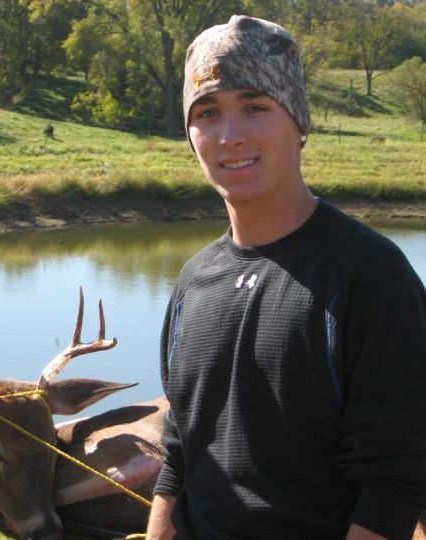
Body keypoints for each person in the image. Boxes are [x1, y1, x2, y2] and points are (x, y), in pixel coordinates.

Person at [146, 15, 426, 540]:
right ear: (190, 134)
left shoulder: (370, 274)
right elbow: (180, 457)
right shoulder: (193, 281)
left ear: (298, 121)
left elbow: (394, 483)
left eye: (255, 107)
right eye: (208, 112)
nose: (230, 136)